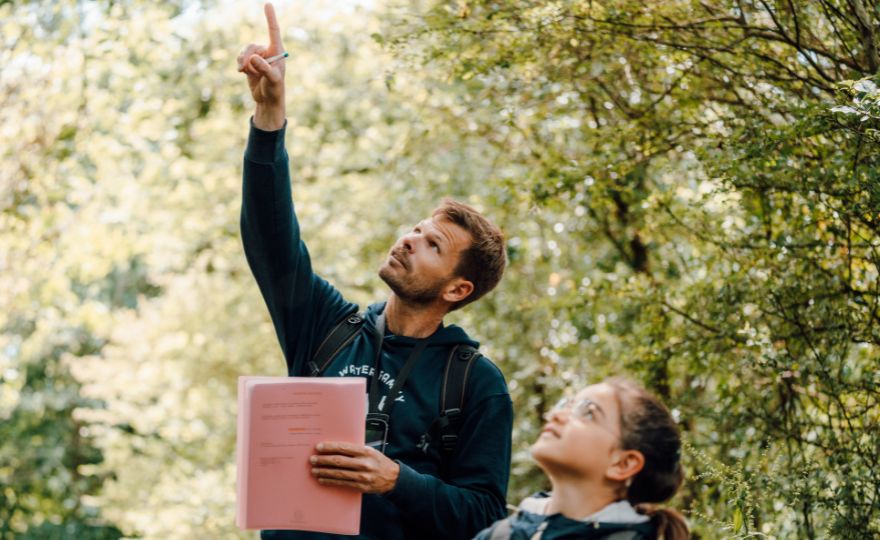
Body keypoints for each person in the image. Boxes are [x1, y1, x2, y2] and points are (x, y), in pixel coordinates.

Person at [236, 4, 513, 539]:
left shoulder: (476, 383)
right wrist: (270, 116)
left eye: (432, 244)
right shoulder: (329, 330)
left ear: (458, 288)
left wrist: (395, 480)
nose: (409, 239)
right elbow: (271, 242)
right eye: (414, 229)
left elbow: (483, 517)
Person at [474, 378, 688, 540]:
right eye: (565, 404)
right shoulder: (500, 534)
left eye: (588, 412)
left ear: (623, 463)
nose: (555, 415)